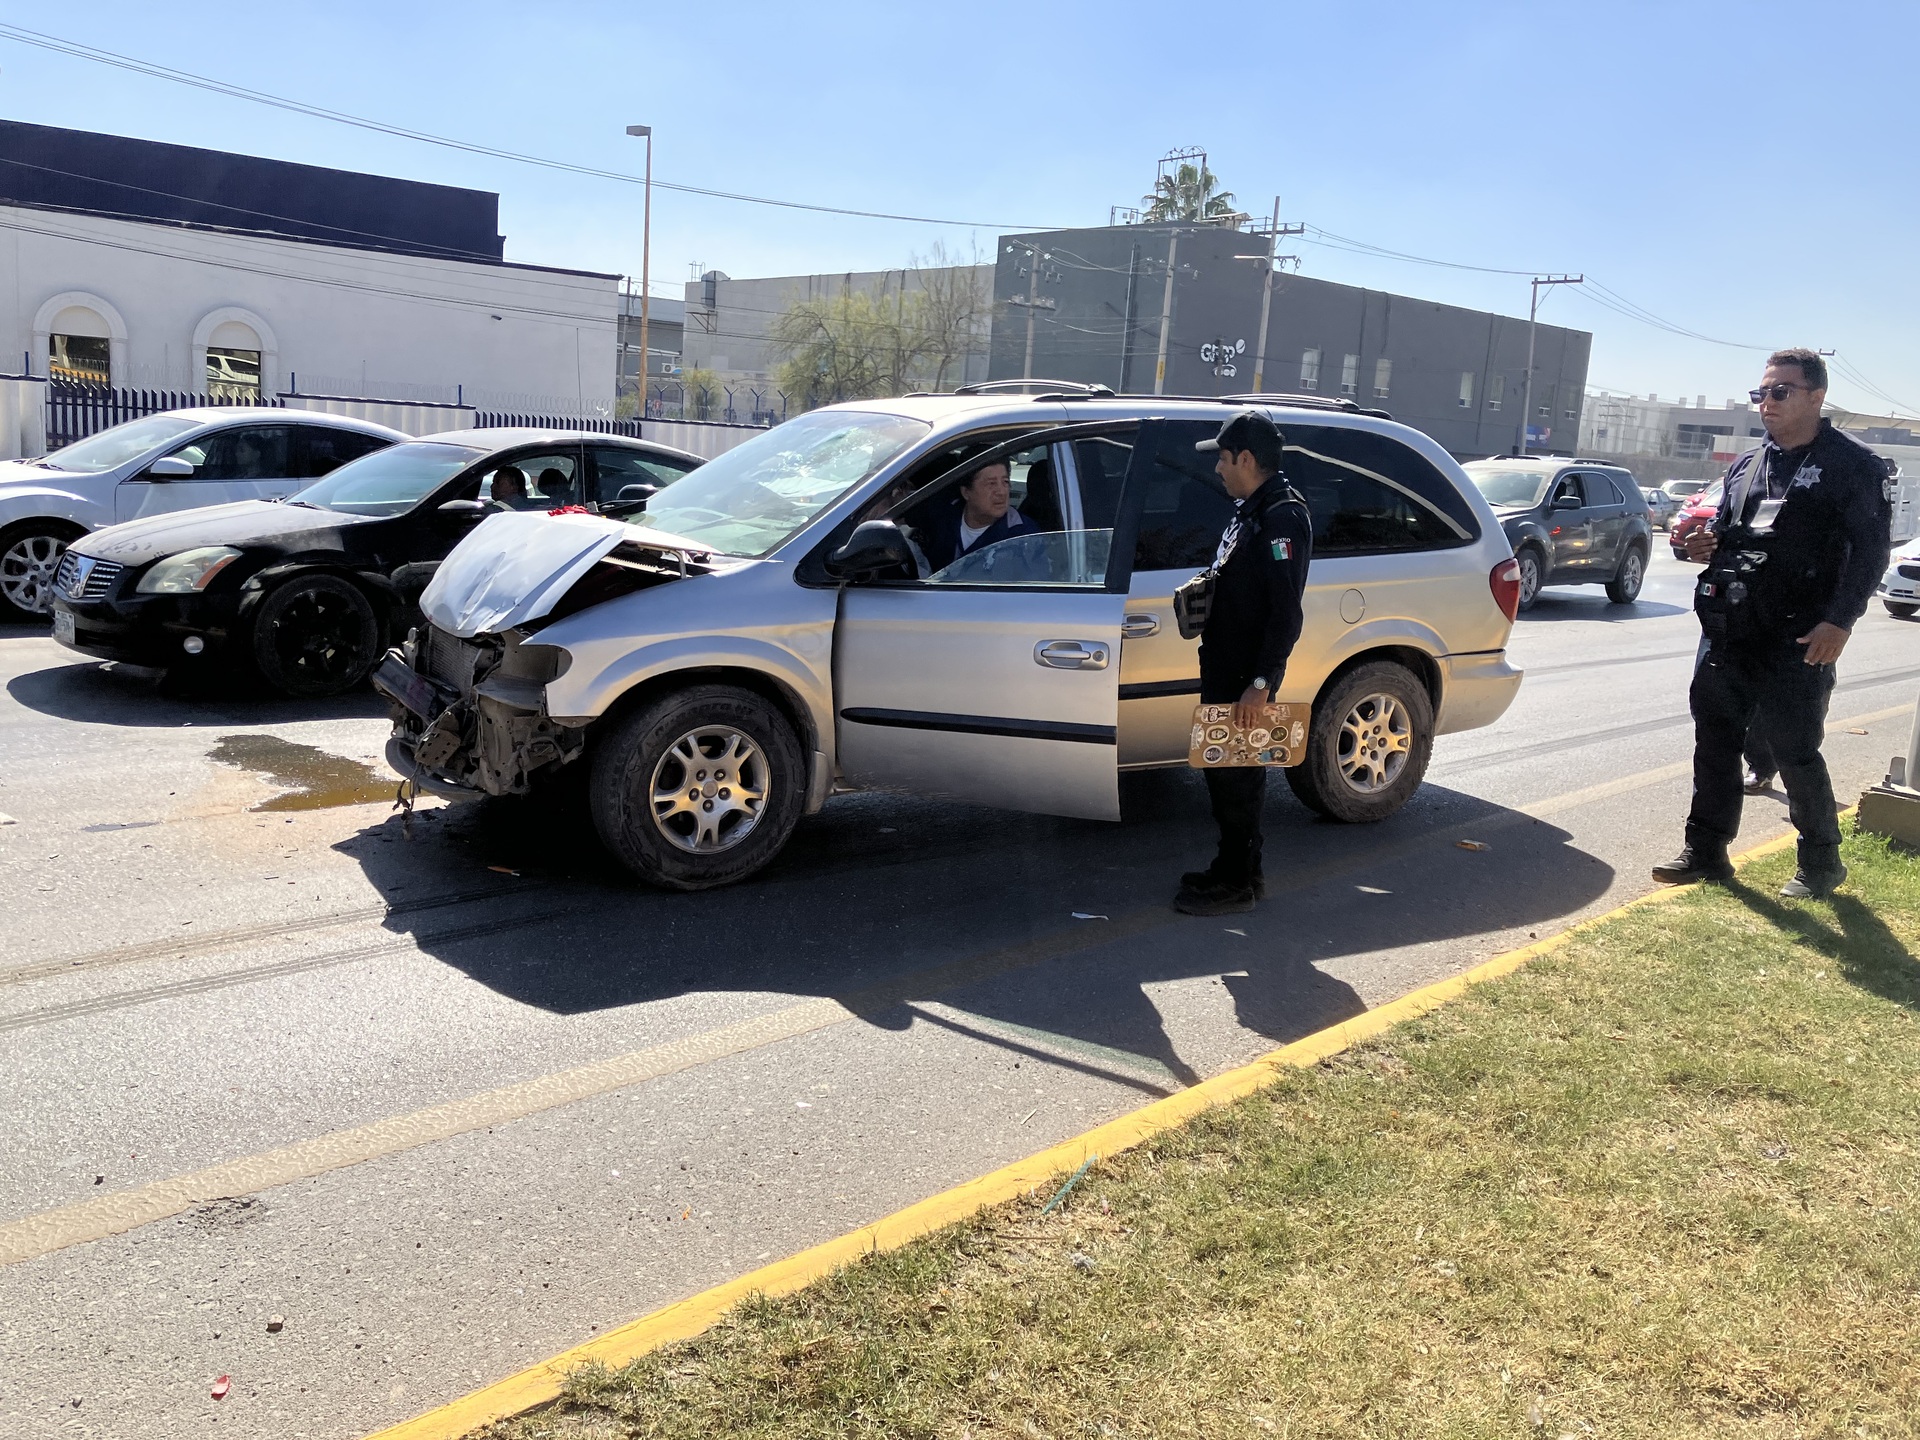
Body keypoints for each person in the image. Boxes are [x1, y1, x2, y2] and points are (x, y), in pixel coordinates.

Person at [1654, 348, 1892, 898]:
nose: (1766, 403)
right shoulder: (1748, 464)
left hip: (1801, 635)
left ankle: (1821, 862)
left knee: (1793, 748)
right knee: (1714, 741)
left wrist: (1841, 621)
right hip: (1730, 628)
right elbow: (1722, 533)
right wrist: (1698, 544)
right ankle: (1707, 850)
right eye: (1760, 393)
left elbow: (1871, 552)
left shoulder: (1853, 465)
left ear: (1815, 396)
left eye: (1780, 391)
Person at [1175, 412, 1313, 916]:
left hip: (1244, 674)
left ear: (1247, 460)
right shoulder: (1252, 507)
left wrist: (1261, 683)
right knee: (1224, 772)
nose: (1218, 467)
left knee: (1237, 778)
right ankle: (1237, 870)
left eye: (1223, 457)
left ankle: (1237, 884)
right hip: (1227, 662)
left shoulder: (1281, 518)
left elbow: (1286, 612)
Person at [920, 460, 1042, 572]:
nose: (1001, 492)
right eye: (991, 483)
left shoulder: (1024, 535)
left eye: (1005, 482)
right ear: (966, 492)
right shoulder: (944, 515)